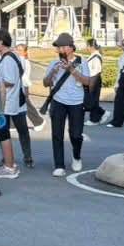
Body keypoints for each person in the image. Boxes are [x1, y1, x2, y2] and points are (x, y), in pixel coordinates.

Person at [42, 33, 92, 177]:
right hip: (58, 102)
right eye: (58, 47)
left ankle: (76, 156)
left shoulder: (82, 62)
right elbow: (46, 83)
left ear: (71, 47)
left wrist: (71, 70)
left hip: (77, 102)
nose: (60, 50)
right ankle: (59, 165)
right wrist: (53, 72)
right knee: (57, 134)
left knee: (76, 135)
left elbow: (87, 82)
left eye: (63, 47)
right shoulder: (54, 63)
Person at [0, 29, 32, 175]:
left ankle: (10, 166)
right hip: (7, 102)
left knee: (3, 133)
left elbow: (10, 81)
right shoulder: (11, 56)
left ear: (0, 42)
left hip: (5, 103)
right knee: (3, 133)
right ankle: (9, 163)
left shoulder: (8, 59)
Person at [82, 36, 107, 123]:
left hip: (94, 80)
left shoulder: (96, 57)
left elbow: (96, 71)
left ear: (91, 46)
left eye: (87, 46)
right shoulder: (93, 55)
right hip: (92, 80)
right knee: (92, 100)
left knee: (92, 100)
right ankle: (102, 113)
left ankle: (94, 120)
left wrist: (90, 83)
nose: (86, 48)